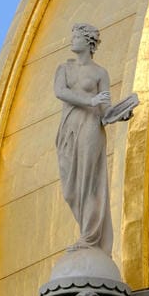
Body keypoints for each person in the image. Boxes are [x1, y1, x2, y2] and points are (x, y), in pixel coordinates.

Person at [54, 24, 113, 253]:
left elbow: (105, 108)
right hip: (69, 128)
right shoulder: (64, 69)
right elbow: (60, 92)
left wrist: (118, 113)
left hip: (90, 127)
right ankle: (87, 233)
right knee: (71, 189)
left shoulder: (100, 73)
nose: (72, 40)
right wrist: (90, 101)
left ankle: (89, 238)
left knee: (88, 183)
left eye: (76, 36)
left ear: (88, 42)